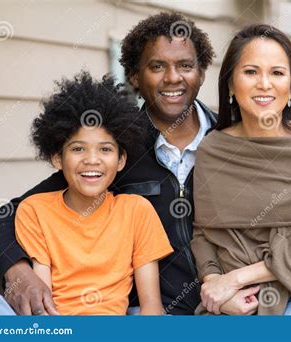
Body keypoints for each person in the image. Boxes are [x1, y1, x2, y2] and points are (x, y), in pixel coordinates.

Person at [0, 12, 218, 315]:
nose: (173, 77)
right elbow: (14, 212)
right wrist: (19, 271)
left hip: (227, 305)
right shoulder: (117, 146)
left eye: (186, 66)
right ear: (135, 77)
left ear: (201, 73)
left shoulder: (230, 143)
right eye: (156, 66)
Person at [190, 24, 291, 315]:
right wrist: (216, 283)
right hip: (233, 298)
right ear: (230, 83)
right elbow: (204, 234)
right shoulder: (212, 150)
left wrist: (237, 278)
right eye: (251, 72)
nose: (264, 84)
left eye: (277, 73)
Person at [15, 71, 173, 315]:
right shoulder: (34, 210)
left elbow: (151, 307)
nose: (92, 160)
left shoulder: (136, 211)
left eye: (105, 149)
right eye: (78, 148)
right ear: (58, 158)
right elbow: (43, 308)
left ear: (121, 160)